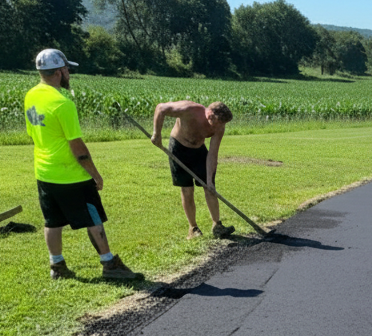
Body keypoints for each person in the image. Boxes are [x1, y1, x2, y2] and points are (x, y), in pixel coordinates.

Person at [24, 48, 140, 281]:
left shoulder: (31, 95)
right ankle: (109, 264)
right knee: (93, 218)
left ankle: (57, 266)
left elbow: (32, 133)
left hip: (44, 172)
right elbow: (78, 148)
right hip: (71, 175)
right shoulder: (62, 103)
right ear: (59, 72)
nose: (69, 74)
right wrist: (95, 175)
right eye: (67, 69)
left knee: (52, 221)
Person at [150, 100, 235, 239]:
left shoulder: (219, 126)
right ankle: (193, 229)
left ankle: (217, 226)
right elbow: (161, 108)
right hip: (178, 150)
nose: (221, 127)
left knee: (210, 188)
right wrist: (157, 134)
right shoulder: (190, 110)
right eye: (219, 123)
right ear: (210, 116)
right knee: (187, 190)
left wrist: (209, 180)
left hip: (199, 151)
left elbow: (213, 154)